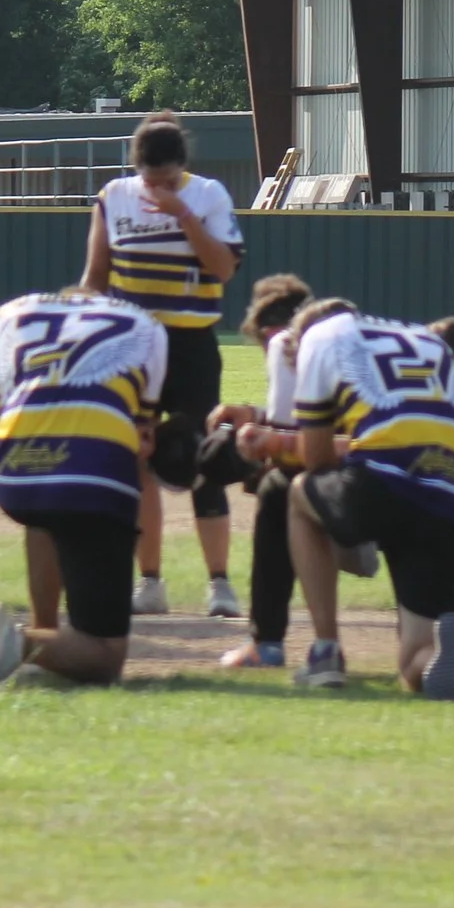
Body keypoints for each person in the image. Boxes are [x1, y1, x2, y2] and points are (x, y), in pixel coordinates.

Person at [0, 289, 168, 689]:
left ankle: (45, 633)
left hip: (12, 471)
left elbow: (10, 407)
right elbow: (143, 434)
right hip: (93, 474)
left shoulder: (10, 315)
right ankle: (16, 642)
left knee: (46, 507)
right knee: (105, 658)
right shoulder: (147, 326)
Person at [82, 111, 245, 621]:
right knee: (138, 461)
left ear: (183, 167)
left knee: (202, 458)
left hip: (191, 345)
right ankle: (149, 581)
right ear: (137, 169)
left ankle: (219, 584)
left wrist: (183, 215)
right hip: (131, 347)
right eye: (152, 181)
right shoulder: (113, 197)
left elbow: (223, 268)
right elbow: (96, 277)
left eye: (169, 179)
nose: (159, 188)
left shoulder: (208, 195)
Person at [287, 301, 454, 698]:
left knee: (298, 491)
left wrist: (349, 533)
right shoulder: (431, 341)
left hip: (381, 482)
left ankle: (326, 651)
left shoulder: (320, 337)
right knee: (413, 665)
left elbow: (316, 457)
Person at [205, 273, 318, 669]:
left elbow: (294, 442)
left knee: (276, 490)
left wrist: (260, 455)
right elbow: (319, 418)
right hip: (426, 464)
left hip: (359, 476)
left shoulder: (286, 341)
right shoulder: (347, 334)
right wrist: (255, 415)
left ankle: (266, 643)